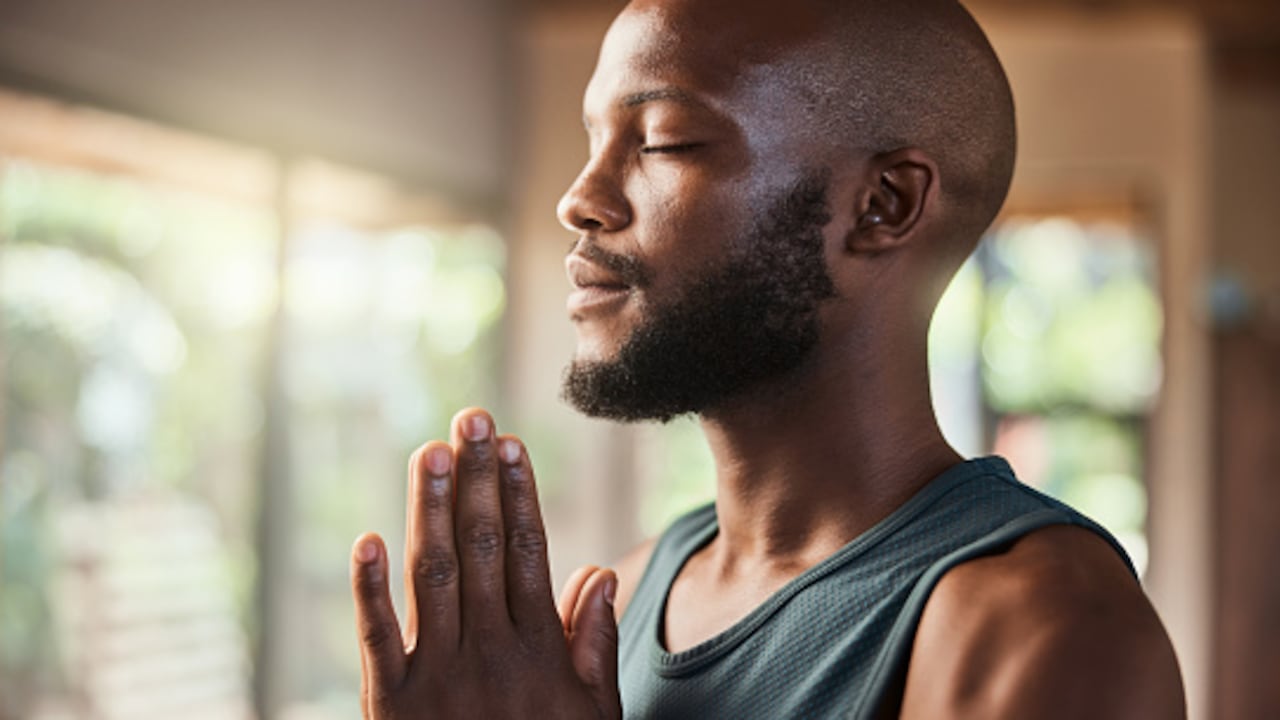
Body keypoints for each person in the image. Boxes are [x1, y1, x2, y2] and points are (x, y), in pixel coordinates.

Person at [348, 0, 1187, 716]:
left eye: (665, 141)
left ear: (882, 205)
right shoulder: (635, 590)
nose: (581, 198)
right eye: (594, 139)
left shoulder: (1040, 631)